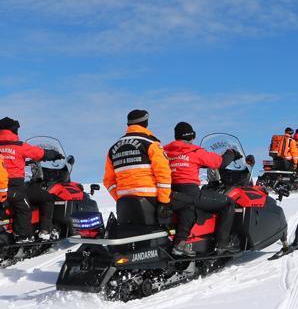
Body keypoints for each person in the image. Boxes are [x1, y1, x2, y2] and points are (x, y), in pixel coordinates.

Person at [164, 122, 242, 256]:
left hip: (172, 194)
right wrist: (231, 153)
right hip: (190, 193)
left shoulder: (166, 151)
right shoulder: (194, 151)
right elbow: (219, 162)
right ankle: (222, 244)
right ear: (191, 136)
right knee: (228, 203)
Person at [0, 117, 64, 242]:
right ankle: (45, 231)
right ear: (14, 130)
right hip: (16, 186)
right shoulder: (19, 146)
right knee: (47, 198)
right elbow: (40, 153)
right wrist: (54, 154)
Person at [103, 109, 172, 227]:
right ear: (145, 123)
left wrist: (120, 198)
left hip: (124, 201)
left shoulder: (113, 148)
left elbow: (108, 181)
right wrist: (164, 202)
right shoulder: (150, 143)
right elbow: (163, 173)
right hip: (150, 199)